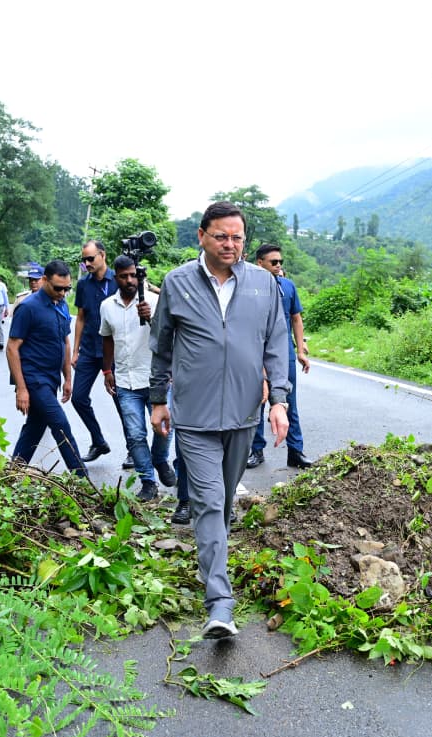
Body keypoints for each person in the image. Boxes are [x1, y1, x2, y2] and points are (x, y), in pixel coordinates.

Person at [149, 201, 291, 639]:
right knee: (209, 502)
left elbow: (276, 343)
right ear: (201, 236)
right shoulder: (177, 283)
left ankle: (213, 556)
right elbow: (161, 347)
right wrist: (158, 400)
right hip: (194, 416)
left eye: (237, 238)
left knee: (224, 503)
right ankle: (220, 604)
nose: (230, 245)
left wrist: (279, 401)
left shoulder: (263, 285)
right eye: (221, 236)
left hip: (245, 414)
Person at [100, 255, 176, 502]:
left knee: (164, 428)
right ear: (116, 277)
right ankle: (148, 481)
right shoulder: (107, 306)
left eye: (133, 275)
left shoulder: (155, 301)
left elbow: (171, 336)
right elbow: (107, 338)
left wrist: (151, 317)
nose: (130, 280)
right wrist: (107, 370)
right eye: (124, 276)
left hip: (157, 378)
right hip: (125, 380)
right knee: (134, 434)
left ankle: (160, 459)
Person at [7, 259, 89, 478]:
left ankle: (11, 474)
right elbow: (12, 348)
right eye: (57, 288)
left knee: (35, 427)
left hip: (52, 379)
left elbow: (65, 342)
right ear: (44, 280)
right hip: (34, 379)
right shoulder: (28, 307)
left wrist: (68, 379)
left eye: (66, 289)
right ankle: (82, 479)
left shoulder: (61, 304)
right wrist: (21, 389)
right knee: (60, 424)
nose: (62, 293)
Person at [247, 243, 314, 470]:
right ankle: (256, 450)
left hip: (284, 354)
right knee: (257, 402)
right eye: (273, 262)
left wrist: (300, 350)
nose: (278, 266)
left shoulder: (287, 286)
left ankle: (295, 451)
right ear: (260, 263)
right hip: (255, 352)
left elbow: (296, 318)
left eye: (280, 263)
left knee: (289, 403)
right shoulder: (248, 288)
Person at [71, 240, 118, 462]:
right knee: (78, 397)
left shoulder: (119, 280)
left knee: (122, 401)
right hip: (90, 349)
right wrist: (75, 350)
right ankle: (98, 441)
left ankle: (132, 449)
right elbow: (80, 318)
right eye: (84, 260)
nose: (86, 263)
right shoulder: (83, 285)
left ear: (102, 256)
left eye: (90, 258)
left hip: (115, 350)